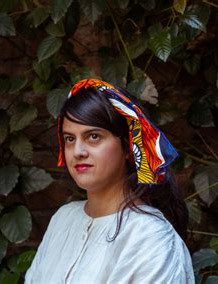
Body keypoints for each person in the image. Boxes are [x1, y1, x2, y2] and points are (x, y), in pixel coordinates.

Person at [25, 78, 195, 283]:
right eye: (70, 139)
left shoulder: (152, 237)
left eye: (93, 137)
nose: (78, 152)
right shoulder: (63, 219)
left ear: (127, 146)